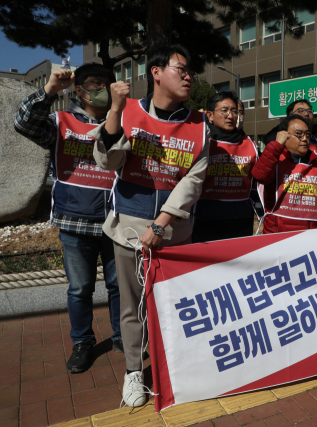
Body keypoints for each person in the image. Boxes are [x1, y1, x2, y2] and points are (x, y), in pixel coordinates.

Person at [89, 45, 209, 407]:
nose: (188, 76)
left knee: (174, 303)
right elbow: (107, 160)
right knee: (132, 306)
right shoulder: (128, 112)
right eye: (181, 69)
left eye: (191, 71)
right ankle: (132, 372)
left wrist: (161, 224)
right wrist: (113, 109)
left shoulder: (199, 124)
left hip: (173, 233)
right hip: (128, 229)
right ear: (156, 72)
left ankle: (174, 363)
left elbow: (193, 181)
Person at [14, 63, 122, 373]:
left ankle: (121, 337)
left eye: (105, 85)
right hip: (74, 222)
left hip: (116, 223)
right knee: (80, 288)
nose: (99, 90)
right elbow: (24, 123)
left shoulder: (123, 124)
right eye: (94, 84)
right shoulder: (61, 122)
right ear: (80, 90)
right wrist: (49, 90)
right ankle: (82, 343)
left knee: (118, 286)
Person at [192, 92, 258, 242]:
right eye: (224, 110)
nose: (230, 116)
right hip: (206, 220)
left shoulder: (250, 143)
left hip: (242, 221)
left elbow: (259, 178)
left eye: (234, 111)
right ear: (210, 115)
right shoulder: (201, 141)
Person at [252, 114, 317, 233]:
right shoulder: (276, 161)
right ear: (284, 135)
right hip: (278, 236)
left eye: (307, 134)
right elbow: (260, 175)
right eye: (298, 134)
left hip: (313, 236)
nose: (305, 139)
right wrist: (276, 145)